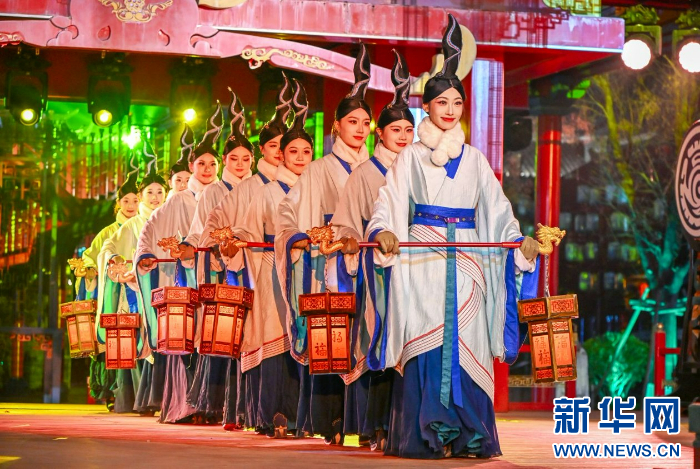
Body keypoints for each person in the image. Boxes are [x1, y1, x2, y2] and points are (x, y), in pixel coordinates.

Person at [363, 14, 540, 459]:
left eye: (456, 102)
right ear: (426, 107)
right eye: (441, 102)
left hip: (469, 259)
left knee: (469, 342)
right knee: (427, 338)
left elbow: (497, 210)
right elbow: (390, 201)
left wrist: (517, 242)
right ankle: (429, 432)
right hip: (422, 257)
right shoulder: (410, 158)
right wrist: (384, 231)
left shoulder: (476, 159)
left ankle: (469, 432)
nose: (449, 109)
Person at [276, 44, 373, 444]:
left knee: (368, 335)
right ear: (336, 126)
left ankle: (367, 423)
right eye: (352, 122)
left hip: (368, 262)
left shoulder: (378, 168)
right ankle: (330, 420)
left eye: (365, 123)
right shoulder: (318, 170)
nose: (360, 129)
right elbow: (288, 213)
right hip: (328, 265)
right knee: (334, 338)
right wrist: (301, 238)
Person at [197, 74, 292, 431]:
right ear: (263, 150)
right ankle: (254, 412)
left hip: (292, 266)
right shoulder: (249, 187)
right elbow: (213, 225)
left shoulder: (298, 182)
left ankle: (290, 413)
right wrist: (230, 244)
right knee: (255, 340)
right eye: (273, 146)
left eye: (285, 146)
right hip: (254, 269)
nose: (280, 152)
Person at [331, 49, 414, 450]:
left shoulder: (420, 170)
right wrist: (358, 241)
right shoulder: (364, 174)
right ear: (379, 134)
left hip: (415, 268)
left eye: (409, 129)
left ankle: (406, 421)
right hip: (376, 271)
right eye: (395, 129)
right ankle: (376, 425)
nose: (403, 136)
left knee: (412, 343)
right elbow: (345, 222)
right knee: (378, 339)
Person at [223, 80, 313, 438]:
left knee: (308, 337)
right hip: (270, 271)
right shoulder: (265, 192)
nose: (298, 158)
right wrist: (233, 245)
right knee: (275, 339)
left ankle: (305, 416)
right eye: (291, 152)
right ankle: (273, 412)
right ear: (279, 155)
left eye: (306, 152)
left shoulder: (315, 188)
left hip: (309, 272)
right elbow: (246, 231)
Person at [134, 104, 224, 424]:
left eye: (212, 163)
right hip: (186, 282)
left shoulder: (224, 194)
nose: (207, 169)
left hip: (218, 277)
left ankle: (214, 405)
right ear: (190, 167)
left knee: (217, 339)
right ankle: (186, 405)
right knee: (188, 342)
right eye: (201, 164)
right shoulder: (177, 201)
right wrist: (146, 256)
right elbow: (148, 235)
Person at [179, 90, 254, 424]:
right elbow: (200, 233)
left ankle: (246, 406)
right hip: (221, 271)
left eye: (245, 159)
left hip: (252, 269)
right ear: (225, 160)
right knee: (223, 337)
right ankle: (217, 405)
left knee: (248, 337)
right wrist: (219, 245)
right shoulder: (213, 191)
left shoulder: (257, 188)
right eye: (234, 159)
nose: (240, 165)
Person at [96, 140, 168, 414]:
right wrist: (115, 261)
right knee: (142, 346)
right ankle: (141, 400)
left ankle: (160, 399)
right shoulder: (133, 224)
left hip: (165, 288)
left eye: (159, 192)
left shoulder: (171, 217)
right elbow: (108, 247)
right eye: (149, 192)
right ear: (141, 196)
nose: (155, 197)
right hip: (137, 291)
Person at [80, 158, 140, 410]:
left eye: (135, 200)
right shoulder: (107, 233)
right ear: (118, 204)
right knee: (116, 344)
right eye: (126, 201)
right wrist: (93, 271)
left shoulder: (146, 226)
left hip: (139, 293)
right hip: (115, 297)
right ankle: (118, 394)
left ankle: (140, 395)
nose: (131, 205)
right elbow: (89, 258)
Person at [167, 126, 193, 199]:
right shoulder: (162, 206)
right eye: (178, 180)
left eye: (188, 180)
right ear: (170, 183)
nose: (183, 185)